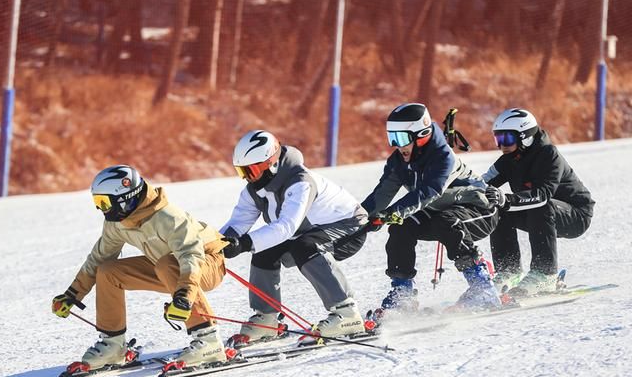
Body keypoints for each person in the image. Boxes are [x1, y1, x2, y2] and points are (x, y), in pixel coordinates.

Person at [51, 165, 229, 371]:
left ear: (124, 197)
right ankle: (113, 345)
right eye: (97, 202)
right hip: (166, 267)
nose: (101, 209)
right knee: (108, 271)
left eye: (104, 202)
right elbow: (99, 257)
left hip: (206, 263)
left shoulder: (168, 217)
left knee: (168, 263)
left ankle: (208, 341)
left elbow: (190, 256)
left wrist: (184, 297)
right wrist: (72, 294)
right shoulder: (118, 222)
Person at [220, 130, 369, 345]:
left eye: (250, 171)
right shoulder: (254, 189)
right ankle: (267, 318)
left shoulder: (299, 182)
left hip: (349, 229)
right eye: (241, 172)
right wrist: (216, 243)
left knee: (305, 246)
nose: (246, 178)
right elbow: (237, 224)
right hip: (308, 231)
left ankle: (347, 314)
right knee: (265, 249)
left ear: (270, 163)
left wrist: (243, 244)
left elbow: (286, 227)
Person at [361, 103, 501, 312]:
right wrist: (358, 218)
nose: (396, 145)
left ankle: (483, 288)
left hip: (478, 209)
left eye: (400, 138)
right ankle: (403, 294)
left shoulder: (443, 157)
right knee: (401, 227)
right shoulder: (399, 160)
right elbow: (381, 194)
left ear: (422, 134)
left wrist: (393, 213)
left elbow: (430, 191)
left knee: (446, 222)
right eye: (392, 138)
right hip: (437, 213)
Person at [483, 108, 595, 295]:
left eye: (507, 139)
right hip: (539, 215)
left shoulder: (548, 155)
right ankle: (508, 271)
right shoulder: (508, 159)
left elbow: (543, 194)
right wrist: (455, 190)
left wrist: (508, 199)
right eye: (498, 139)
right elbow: (482, 182)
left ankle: (545, 275)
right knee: (498, 209)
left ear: (525, 136)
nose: (502, 145)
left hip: (576, 215)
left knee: (541, 205)